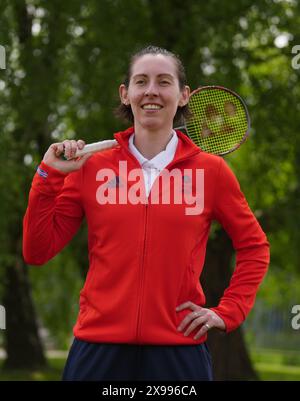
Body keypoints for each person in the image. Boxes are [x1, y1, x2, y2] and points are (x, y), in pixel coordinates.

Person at [22, 45, 270, 381]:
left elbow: (255, 247)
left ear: (183, 96)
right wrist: (47, 176)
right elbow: (37, 251)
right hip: (98, 347)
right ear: (126, 94)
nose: (151, 91)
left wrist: (227, 312)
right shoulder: (90, 167)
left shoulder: (212, 172)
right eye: (141, 81)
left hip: (178, 350)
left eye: (163, 82)